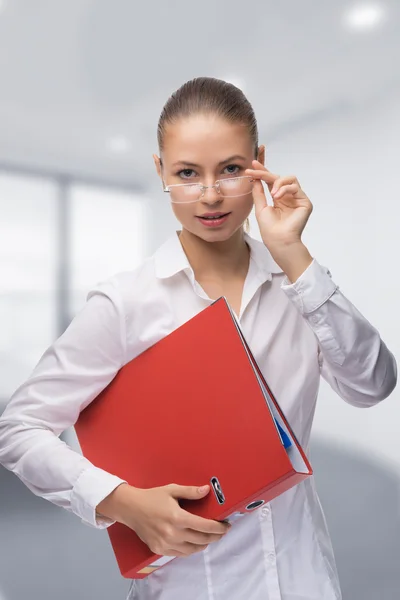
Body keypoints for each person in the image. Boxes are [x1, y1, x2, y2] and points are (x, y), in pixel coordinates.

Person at [0, 77, 397, 600]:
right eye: (187, 173)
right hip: (191, 586)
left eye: (231, 169)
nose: (210, 195)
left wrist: (293, 253)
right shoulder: (127, 302)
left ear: (259, 163)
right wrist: (120, 502)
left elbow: (373, 385)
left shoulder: (298, 287)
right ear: (160, 171)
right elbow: (19, 427)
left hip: (305, 579)